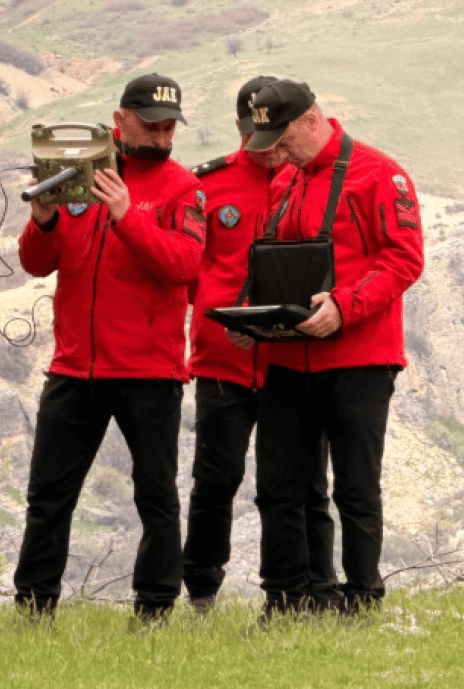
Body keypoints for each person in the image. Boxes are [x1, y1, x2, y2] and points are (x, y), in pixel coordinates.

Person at [12, 73, 207, 626]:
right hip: (74, 367)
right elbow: (35, 262)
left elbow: (183, 267)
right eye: (152, 124)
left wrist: (126, 217)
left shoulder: (185, 189)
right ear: (119, 121)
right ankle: (33, 609)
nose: (164, 135)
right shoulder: (77, 177)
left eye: (171, 125)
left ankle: (153, 611)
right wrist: (44, 218)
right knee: (48, 496)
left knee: (156, 497)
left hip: (150, 371)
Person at [238, 78, 425, 620]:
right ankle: (293, 599)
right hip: (287, 358)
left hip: (360, 360)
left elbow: (405, 259)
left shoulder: (377, 174)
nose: (274, 149)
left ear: (312, 120)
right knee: (280, 486)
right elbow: (271, 260)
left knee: (355, 486)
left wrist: (346, 305)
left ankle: (363, 599)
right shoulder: (285, 180)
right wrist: (249, 314)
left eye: (281, 136)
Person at [182, 76, 336, 613]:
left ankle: (309, 593)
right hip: (222, 362)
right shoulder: (208, 185)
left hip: (289, 363)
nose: (267, 152)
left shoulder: (311, 180)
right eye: (255, 137)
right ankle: (201, 592)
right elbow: (186, 270)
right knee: (214, 481)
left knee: (301, 486)